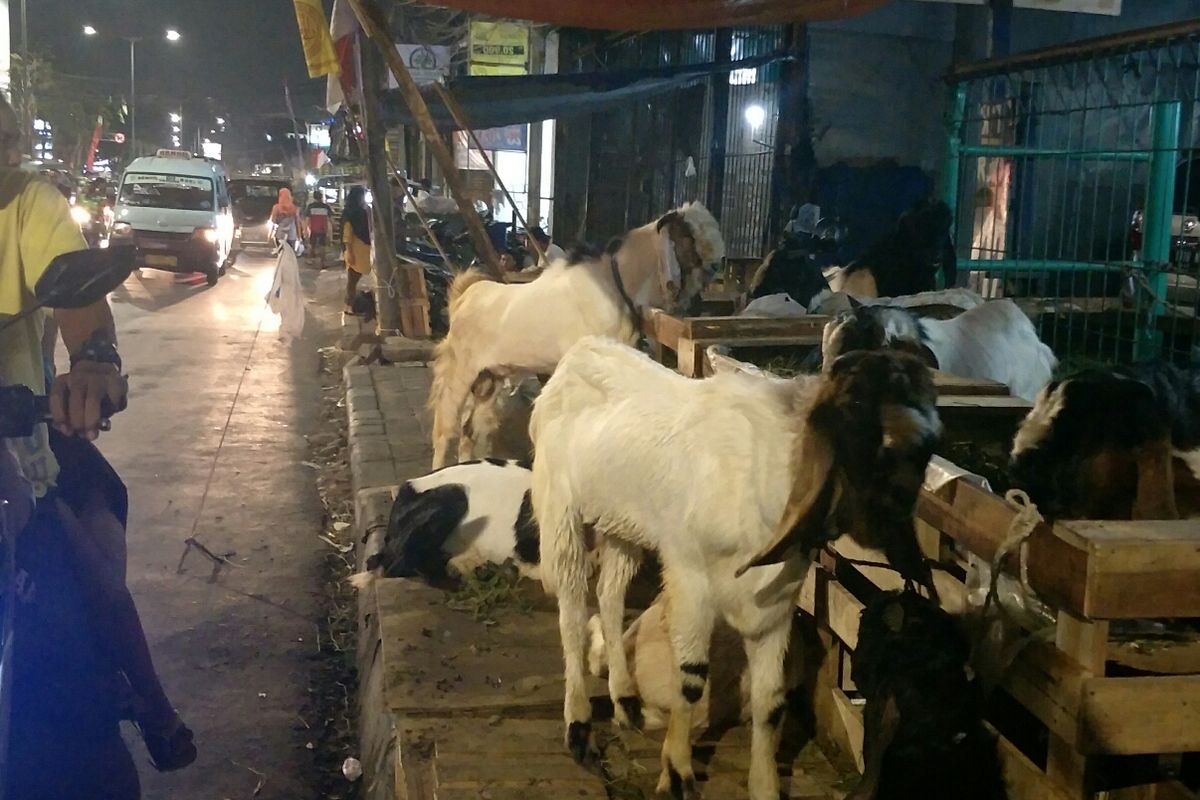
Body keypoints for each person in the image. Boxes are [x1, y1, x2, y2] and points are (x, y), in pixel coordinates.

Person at [0, 96, 193, 798]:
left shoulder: (27, 205)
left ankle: (144, 700)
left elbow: (79, 304)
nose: (5, 157)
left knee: (89, 570)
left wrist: (94, 362)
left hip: (15, 455)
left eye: (6, 143)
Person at [341, 185, 372, 315]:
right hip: (356, 251)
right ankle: (348, 306)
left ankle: (350, 305)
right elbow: (347, 234)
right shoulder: (355, 212)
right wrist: (350, 253)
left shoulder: (353, 211)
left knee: (353, 280)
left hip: (360, 251)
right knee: (352, 280)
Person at [304, 193, 333, 269]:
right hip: (323, 229)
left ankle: (309, 259)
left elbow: (307, 219)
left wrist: (305, 230)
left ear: (314, 197)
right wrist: (334, 226)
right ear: (321, 197)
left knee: (311, 243)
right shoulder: (326, 207)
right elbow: (330, 219)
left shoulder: (310, 207)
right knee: (322, 245)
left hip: (313, 228)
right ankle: (322, 263)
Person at [270, 187, 301, 253]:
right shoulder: (295, 208)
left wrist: (271, 234)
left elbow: (273, 222)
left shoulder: (276, 207)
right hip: (292, 234)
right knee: (290, 253)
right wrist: (299, 236)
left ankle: (282, 263)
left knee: (281, 253)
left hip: (280, 234)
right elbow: (297, 223)